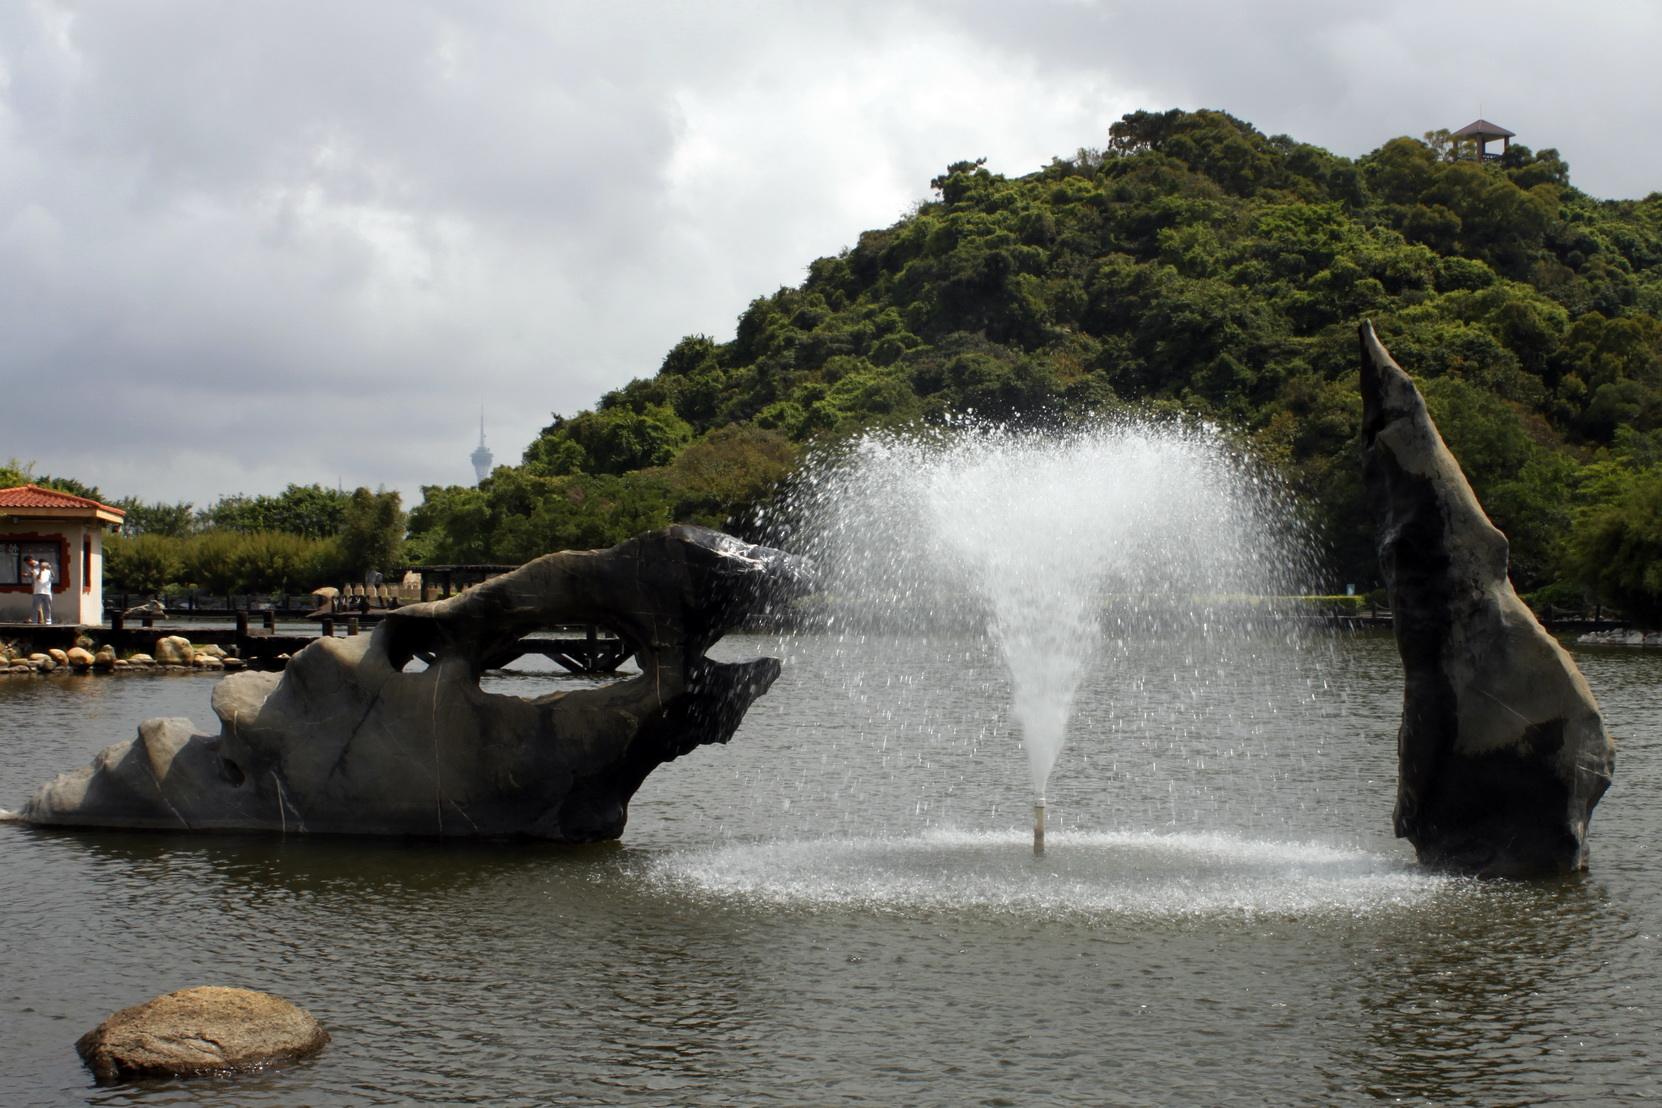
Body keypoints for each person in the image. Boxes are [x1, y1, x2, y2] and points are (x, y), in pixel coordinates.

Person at [27, 557, 53, 624]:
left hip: (47, 592)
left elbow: (52, 577)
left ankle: (48, 622)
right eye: (42, 564)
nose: (43, 565)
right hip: (38, 592)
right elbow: (38, 578)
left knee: (48, 608)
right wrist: (41, 570)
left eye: (45, 564)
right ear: (40, 564)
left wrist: (50, 568)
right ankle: (34, 622)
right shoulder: (36, 570)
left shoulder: (49, 571)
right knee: (35, 608)